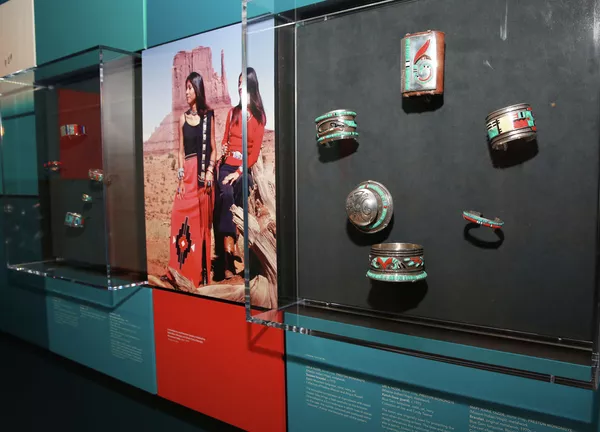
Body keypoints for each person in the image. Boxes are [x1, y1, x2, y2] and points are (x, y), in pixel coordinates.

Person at [216, 67, 266, 279]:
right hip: (227, 166)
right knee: (226, 193)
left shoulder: (259, 117)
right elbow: (225, 140)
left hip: (243, 168)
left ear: (251, 86)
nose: (239, 87)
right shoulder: (232, 113)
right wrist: (224, 150)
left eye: (243, 83)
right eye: (238, 83)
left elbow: (253, 154)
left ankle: (239, 243)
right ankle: (229, 254)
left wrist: (238, 172)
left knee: (243, 189)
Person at [167, 71, 216, 287]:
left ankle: (200, 273)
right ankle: (181, 268)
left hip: (202, 177)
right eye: (185, 88)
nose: (186, 92)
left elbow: (213, 149)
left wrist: (210, 171)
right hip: (187, 175)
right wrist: (180, 179)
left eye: (189, 88)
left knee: (200, 225)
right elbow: (180, 151)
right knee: (177, 214)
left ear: (197, 89)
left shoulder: (208, 117)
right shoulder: (182, 118)